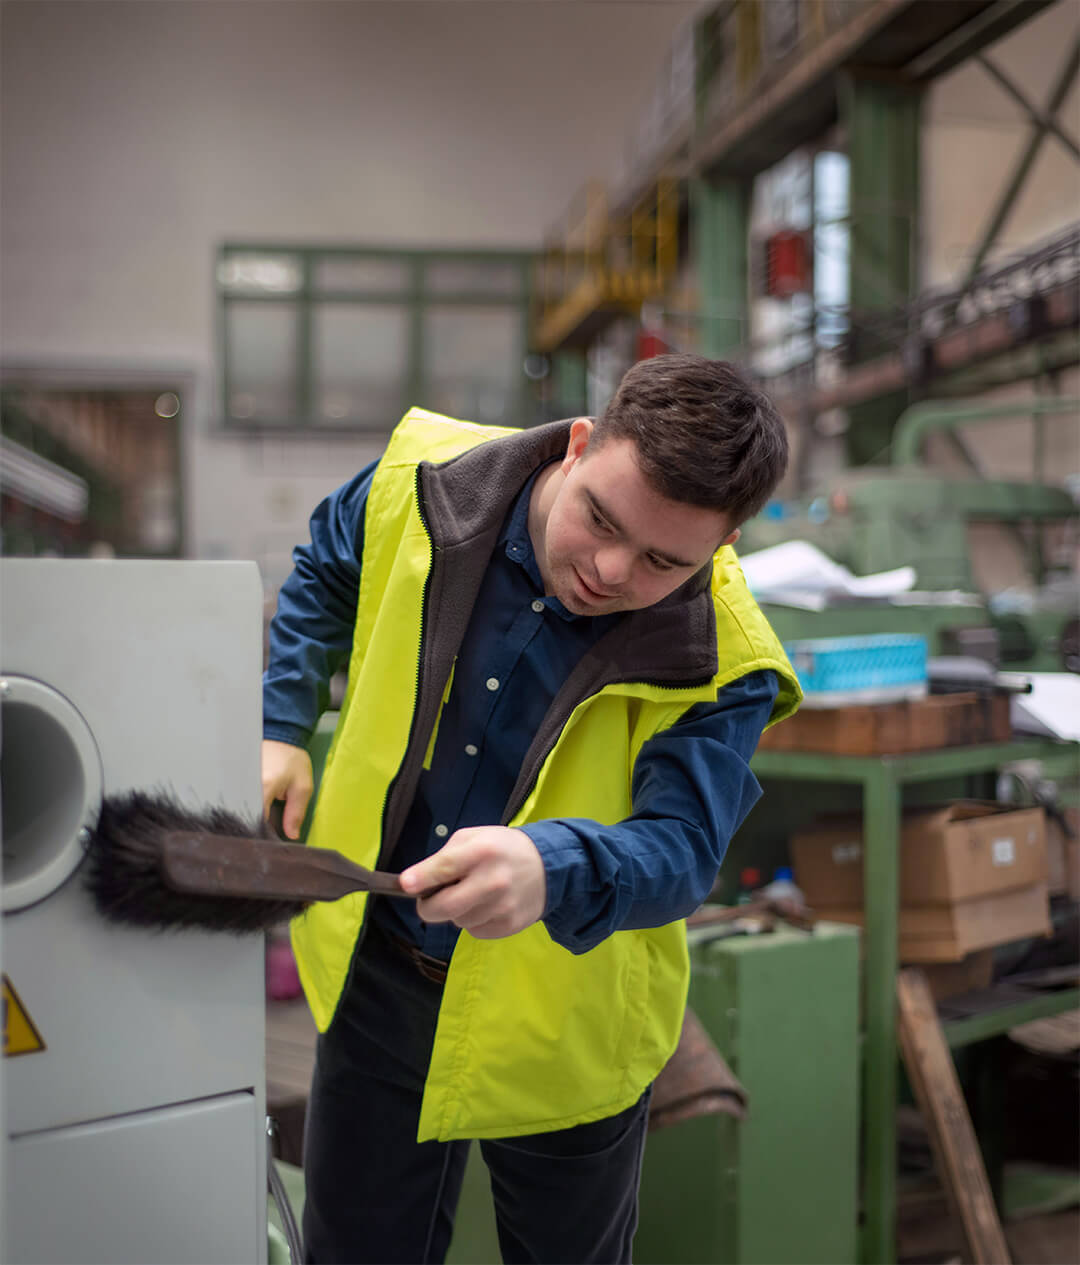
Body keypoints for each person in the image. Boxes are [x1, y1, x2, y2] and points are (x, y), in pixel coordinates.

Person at [262, 353, 802, 1265]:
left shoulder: (725, 655)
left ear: (723, 548)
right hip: (377, 973)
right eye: (602, 517)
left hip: (566, 1024)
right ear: (580, 444)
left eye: (664, 561)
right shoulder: (424, 480)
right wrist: (280, 719)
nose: (609, 569)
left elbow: (681, 849)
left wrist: (555, 866)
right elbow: (325, 569)